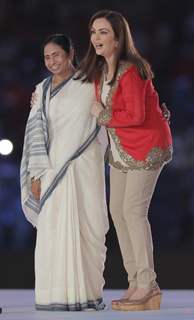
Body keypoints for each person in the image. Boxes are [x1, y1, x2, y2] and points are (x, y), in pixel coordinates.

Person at [77, 10, 173, 311]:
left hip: (146, 146)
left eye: (103, 32)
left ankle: (148, 284)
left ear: (118, 39)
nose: (95, 38)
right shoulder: (101, 70)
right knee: (117, 211)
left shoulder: (131, 70)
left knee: (133, 211)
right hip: (121, 150)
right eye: (93, 32)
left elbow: (136, 115)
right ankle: (135, 281)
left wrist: (103, 115)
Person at [20, 34, 109, 311]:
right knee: (52, 232)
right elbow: (34, 135)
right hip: (50, 172)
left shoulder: (90, 82)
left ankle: (87, 293)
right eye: (47, 57)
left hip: (84, 169)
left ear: (70, 52)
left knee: (90, 229)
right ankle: (52, 295)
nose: (52, 61)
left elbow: (108, 115)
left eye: (56, 54)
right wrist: (35, 175)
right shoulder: (42, 90)